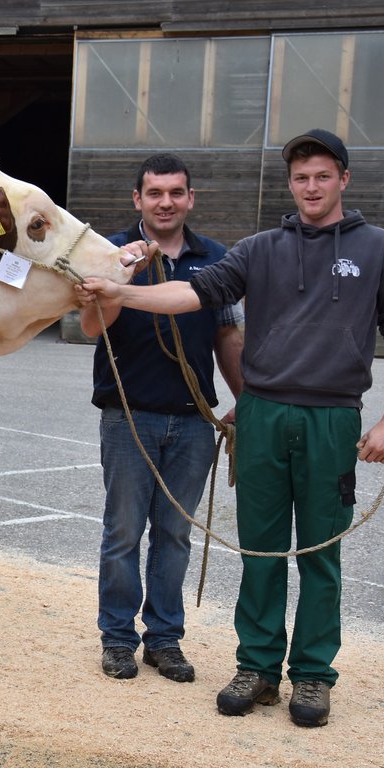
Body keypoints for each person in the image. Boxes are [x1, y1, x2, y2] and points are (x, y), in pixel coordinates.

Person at [77, 129, 384, 728]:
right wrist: (119, 293)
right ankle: (258, 666)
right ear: (290, 184)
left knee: (320, 555)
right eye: (300, 177)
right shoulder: (260, 248)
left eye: (321, 176)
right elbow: (194, 292)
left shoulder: (380, 249)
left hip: (332, 417)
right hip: (262, 415)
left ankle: (312, 675)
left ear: (343, 179)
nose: (310, 187)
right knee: (261, 550)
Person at [79, 153, 244, 684]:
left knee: (174, 534)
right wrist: (121, 272)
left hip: (195, 419)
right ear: (138, 199)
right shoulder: (107, 253)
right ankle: (118, 639)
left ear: (190, 199)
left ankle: (165, 640)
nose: (165, 202)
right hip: (128, 416)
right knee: (123, 532)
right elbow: (88, 327)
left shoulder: (216, 260)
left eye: (176, 193)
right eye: (155, 193)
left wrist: (247, 400)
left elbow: (228, 336)